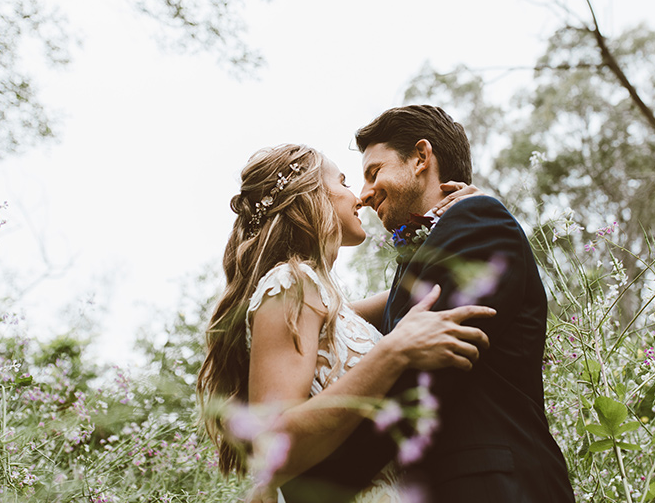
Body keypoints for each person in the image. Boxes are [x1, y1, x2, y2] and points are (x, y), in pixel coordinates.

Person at [285, 106, 575, 502]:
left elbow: (418, 383)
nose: (365, 195)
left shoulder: (480, 222)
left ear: (421, 158)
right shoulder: (425, 258)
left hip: (494, 487)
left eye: (374, 173)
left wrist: (313, 483)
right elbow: (336, 319)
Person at [196, 144, 495, 502]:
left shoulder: (325, 302)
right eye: (344, 181)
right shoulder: (289, 284)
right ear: (312, 195)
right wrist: (393, 352)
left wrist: (467, 215)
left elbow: (430, 293)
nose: (360, 198)